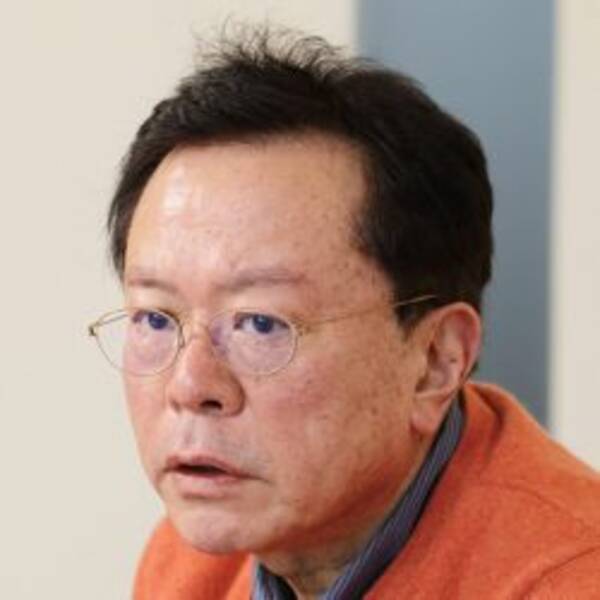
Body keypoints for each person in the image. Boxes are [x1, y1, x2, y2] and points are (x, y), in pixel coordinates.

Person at [89, 27, 600, 599]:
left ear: (435, 361)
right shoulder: (192, 563)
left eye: (261, 323)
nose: (190, 386)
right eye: (156, 318)